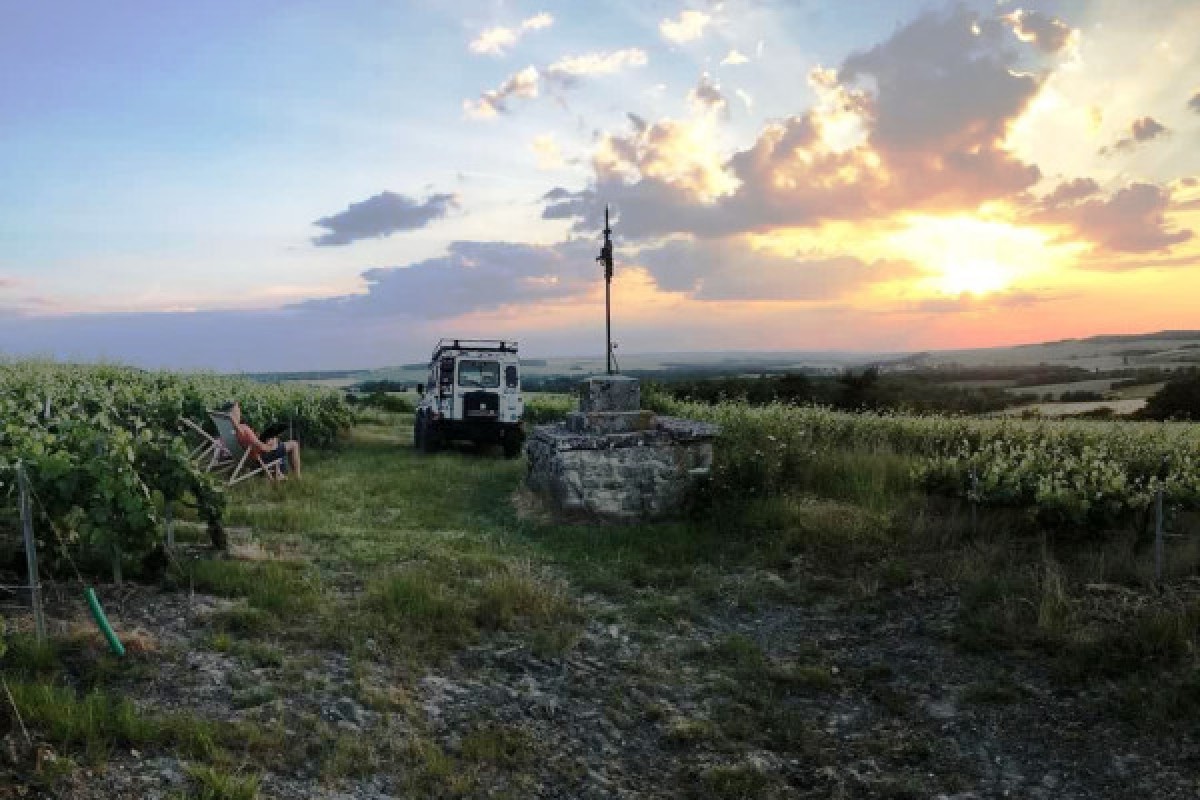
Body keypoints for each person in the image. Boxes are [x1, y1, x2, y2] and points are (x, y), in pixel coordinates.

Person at [221, 401, 301, 478]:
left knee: (274, 440)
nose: (239, 412)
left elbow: (248, 442)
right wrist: (271, 446)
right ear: (233, 413)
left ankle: (279, 472)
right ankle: (297, 477)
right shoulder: (243, 428)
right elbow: (262, 448)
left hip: (247, 457)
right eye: (238, 409)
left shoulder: (229, 429)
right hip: (260, 458)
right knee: (293, 444)